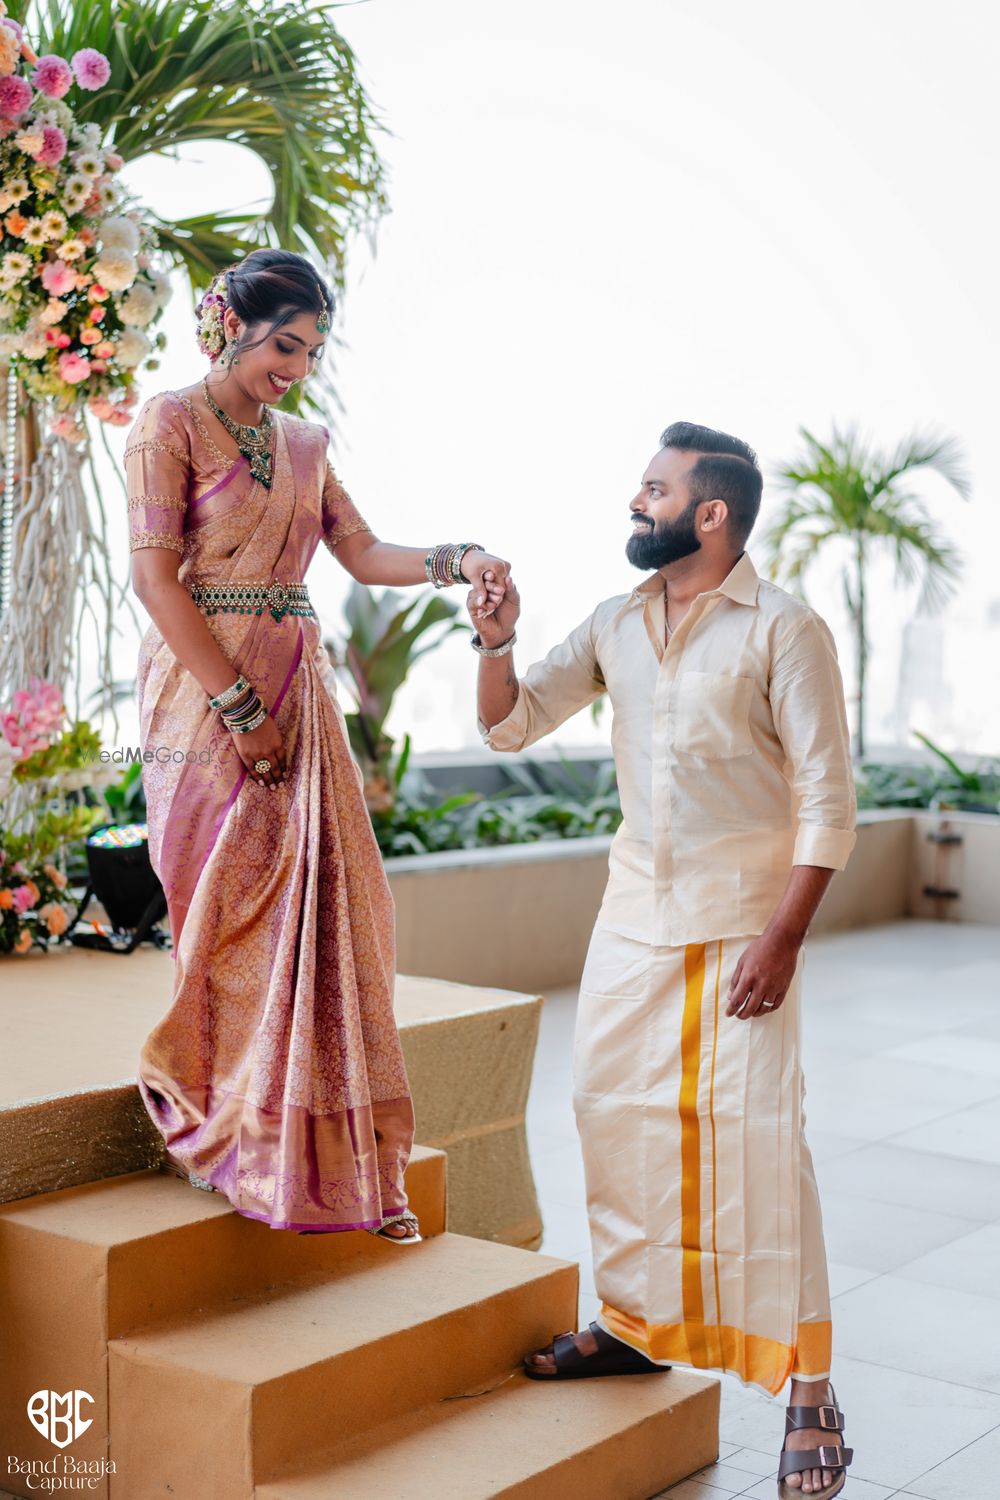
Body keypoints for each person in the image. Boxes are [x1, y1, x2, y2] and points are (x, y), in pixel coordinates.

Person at [470, 422, 856, 1499]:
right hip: (632, 922)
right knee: (614, 1116)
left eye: (653, 489)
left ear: (711, 511)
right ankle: (634, 1327)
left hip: (743, 927)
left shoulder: (787, 631)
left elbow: (828, 799)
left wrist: (783, 936)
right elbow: (508, 727)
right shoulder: (615, 624)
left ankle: (809, 1390)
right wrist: (496, 640)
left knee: (761, 1150)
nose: (635, 503)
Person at [126, 248, 510, 1241]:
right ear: (230, 326)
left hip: (300, 695)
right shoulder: (167, 424)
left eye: (311, 350)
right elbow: (156, 579)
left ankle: (324, 1161)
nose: (295, 367)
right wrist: (238, 711)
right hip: (200, 695)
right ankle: (231, 1130)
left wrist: (455, 559)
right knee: (225, 916)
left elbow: (361, 552)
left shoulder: (304, 444)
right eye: (282, 345)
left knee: (332, 917)